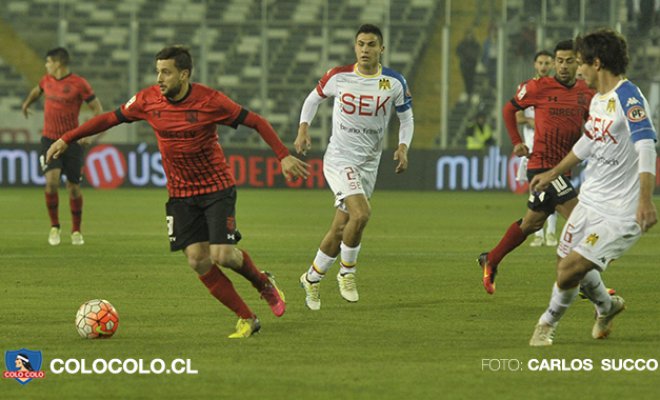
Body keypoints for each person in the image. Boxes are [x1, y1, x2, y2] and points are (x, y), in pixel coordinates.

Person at [46, 46, 310, 338]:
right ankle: (247, 318)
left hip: (216, 188)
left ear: (184, 74)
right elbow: (110, 118)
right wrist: (67, 138)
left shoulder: (210, 101)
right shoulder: (147, 100)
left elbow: (256, 121)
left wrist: (282, 155)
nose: (159, 78)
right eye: (158, 71)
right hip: (181, 194)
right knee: (197, 259)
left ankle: (263, 283)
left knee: (221, 254)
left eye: (166, 72)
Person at [528, 29, 657, 346]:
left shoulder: (628, 98)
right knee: (566, 266)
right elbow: (588, 141)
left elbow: (647, 147)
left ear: (597, 63)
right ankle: (607, 306)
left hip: (620, 212)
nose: (578, 69)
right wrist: (553, 172)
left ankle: (546, 324)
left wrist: (645, 200)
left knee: (569, 271)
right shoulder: (599, 100)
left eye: (582, 62)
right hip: (590, 201)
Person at [294, 24, 413, 310]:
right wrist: (303, 129)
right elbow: (313, 99)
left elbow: (406, 118)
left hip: (369, 162)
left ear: (381, 49)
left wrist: (402, 146)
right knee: (361, 214)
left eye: (371, 44)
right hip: (339, 158)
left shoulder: (394, 82)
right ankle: (347, 273)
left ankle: (312, 277)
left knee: (340, 228)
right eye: (360, 44)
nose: (365, 50)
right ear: (354, 47)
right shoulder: (339, 76)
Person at [477, 40, 594, 295]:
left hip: (562, 169)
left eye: (569, 61)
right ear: (554, 62)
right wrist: (517, 142)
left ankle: (492, 258)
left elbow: (593, 124)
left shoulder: (586, 92)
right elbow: (509, 110)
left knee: (532, 224)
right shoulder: (538, 87)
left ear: (578, 63)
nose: (563, 66)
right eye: (559, 61)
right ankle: (589, 284)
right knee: (580, 220)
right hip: (541, 167)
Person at [21, 47, 104, 246]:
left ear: (58, 63)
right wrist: (26, 104)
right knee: (51, 181)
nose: (46, 65)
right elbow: (36, 91)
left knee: (73, 187)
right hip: (49, 140)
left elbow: (98, 110)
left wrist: (90, 133)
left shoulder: (79, 83)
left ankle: (76, 230)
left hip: (71, 141)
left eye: (48, 62)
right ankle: (55, 227)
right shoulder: (46, 80)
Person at [514, 49, 559, 247]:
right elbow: (517, 116)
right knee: (536, 191)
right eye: (540, 63)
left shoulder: (558, 89)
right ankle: (538, 233)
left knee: (554, 189)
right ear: (535, 64)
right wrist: (533, 120)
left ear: (552, 65)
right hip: (532, 148)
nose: (543, 66)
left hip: (552, 147)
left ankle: (550, 233)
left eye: (547, 63)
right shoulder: (525, 88)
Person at [456, 29, 481, 102]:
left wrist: (473, 57)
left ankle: (471, 93)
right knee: (466, 79)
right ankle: (467, 93)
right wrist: (464, 57)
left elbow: (478, 52)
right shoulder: (462, 44)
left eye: (471, 35)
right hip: (464, 65)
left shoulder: (475, 44)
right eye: (468, 35)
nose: (469, 37)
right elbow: (458, 51)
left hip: (472, 65)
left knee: (472, 79)